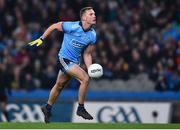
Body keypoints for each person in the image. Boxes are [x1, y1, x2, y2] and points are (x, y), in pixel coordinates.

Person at [28, 7, 96, 123]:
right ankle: (81, 108)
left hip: (74, 62)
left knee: (59, 85)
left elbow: (87, 54)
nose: (94, 16)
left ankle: (47, 107)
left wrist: (90, 68)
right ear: (84, 17)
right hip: (64, 59)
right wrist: (42, 38)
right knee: (85, 79)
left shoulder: (92, 34)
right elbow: (54, 26)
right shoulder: (72, 26)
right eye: (91, 14)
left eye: (94, 13)